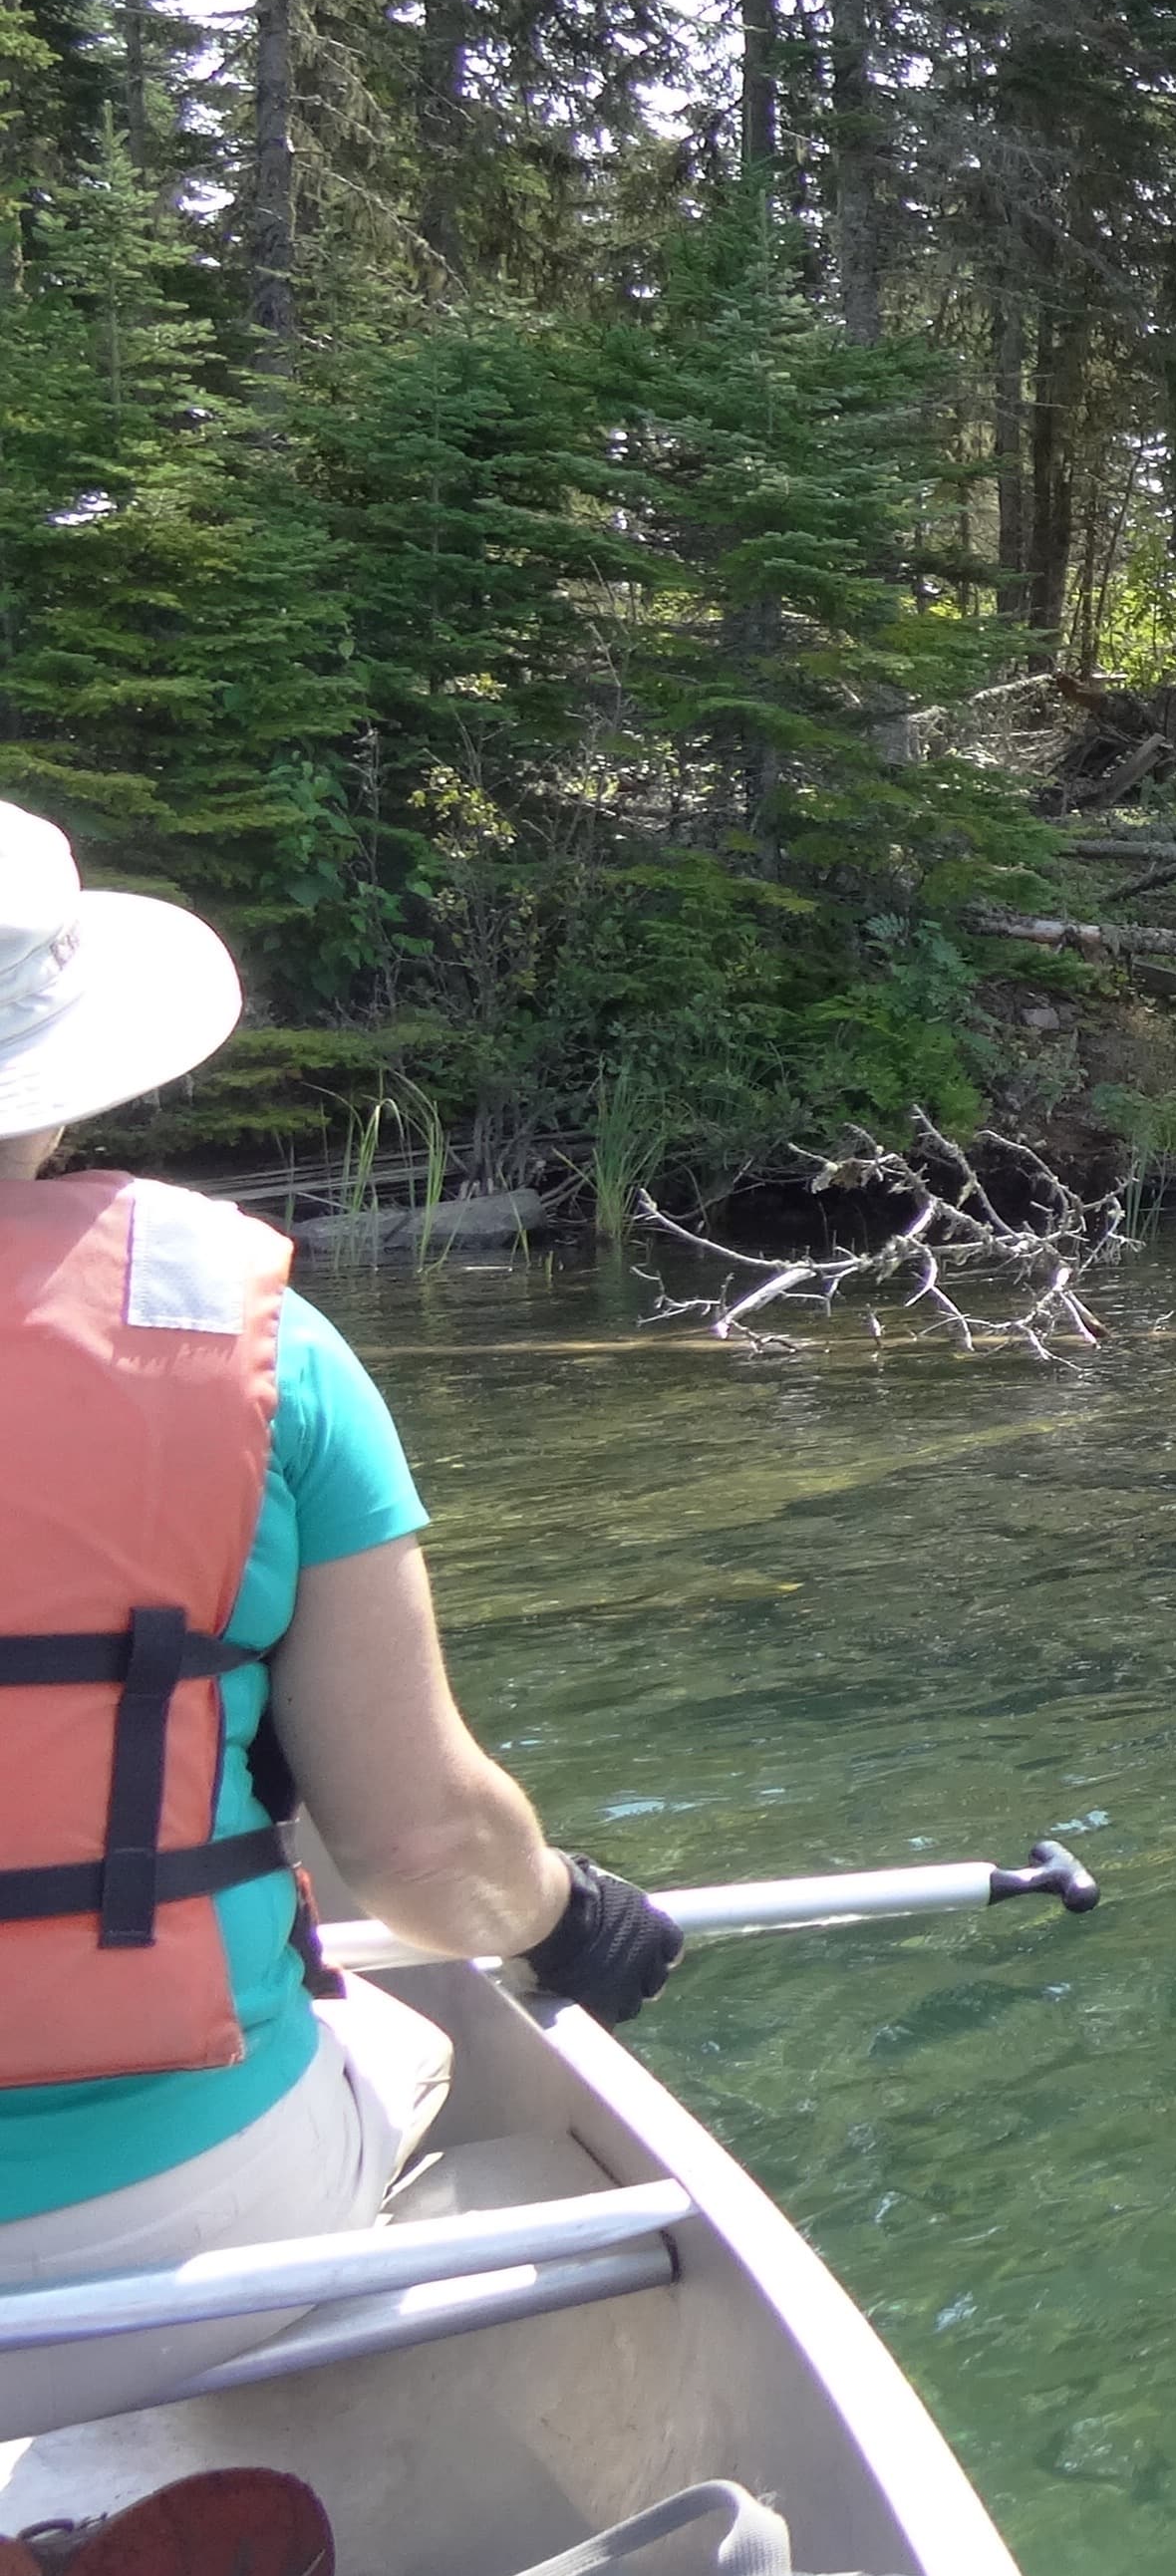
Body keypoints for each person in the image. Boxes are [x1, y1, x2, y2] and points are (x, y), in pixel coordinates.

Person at [0, 804, 680, 2435]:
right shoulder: (264, 1355)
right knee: (424, 2046)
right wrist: (570, 1911)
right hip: (137, 2249)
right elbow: (425, 1860)